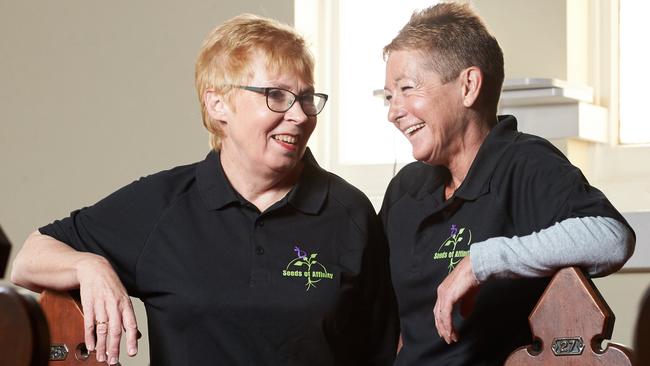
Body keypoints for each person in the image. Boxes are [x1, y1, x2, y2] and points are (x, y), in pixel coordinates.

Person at [11, 14, 397, 366]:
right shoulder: (163, 205)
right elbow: (28, 261)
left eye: (306, 98)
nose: (298, 116)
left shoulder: (349, 212)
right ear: (218, 105)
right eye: (276, 95)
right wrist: (88, 264)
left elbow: (380, 352)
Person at [380, 3, 635, 365]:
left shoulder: (526, 163)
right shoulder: (405, 188)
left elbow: (612, 237)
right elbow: (385, 321)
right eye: (390, 96)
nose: (394, 111)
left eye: (407, 88)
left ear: (468, 86)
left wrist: (482, 261)